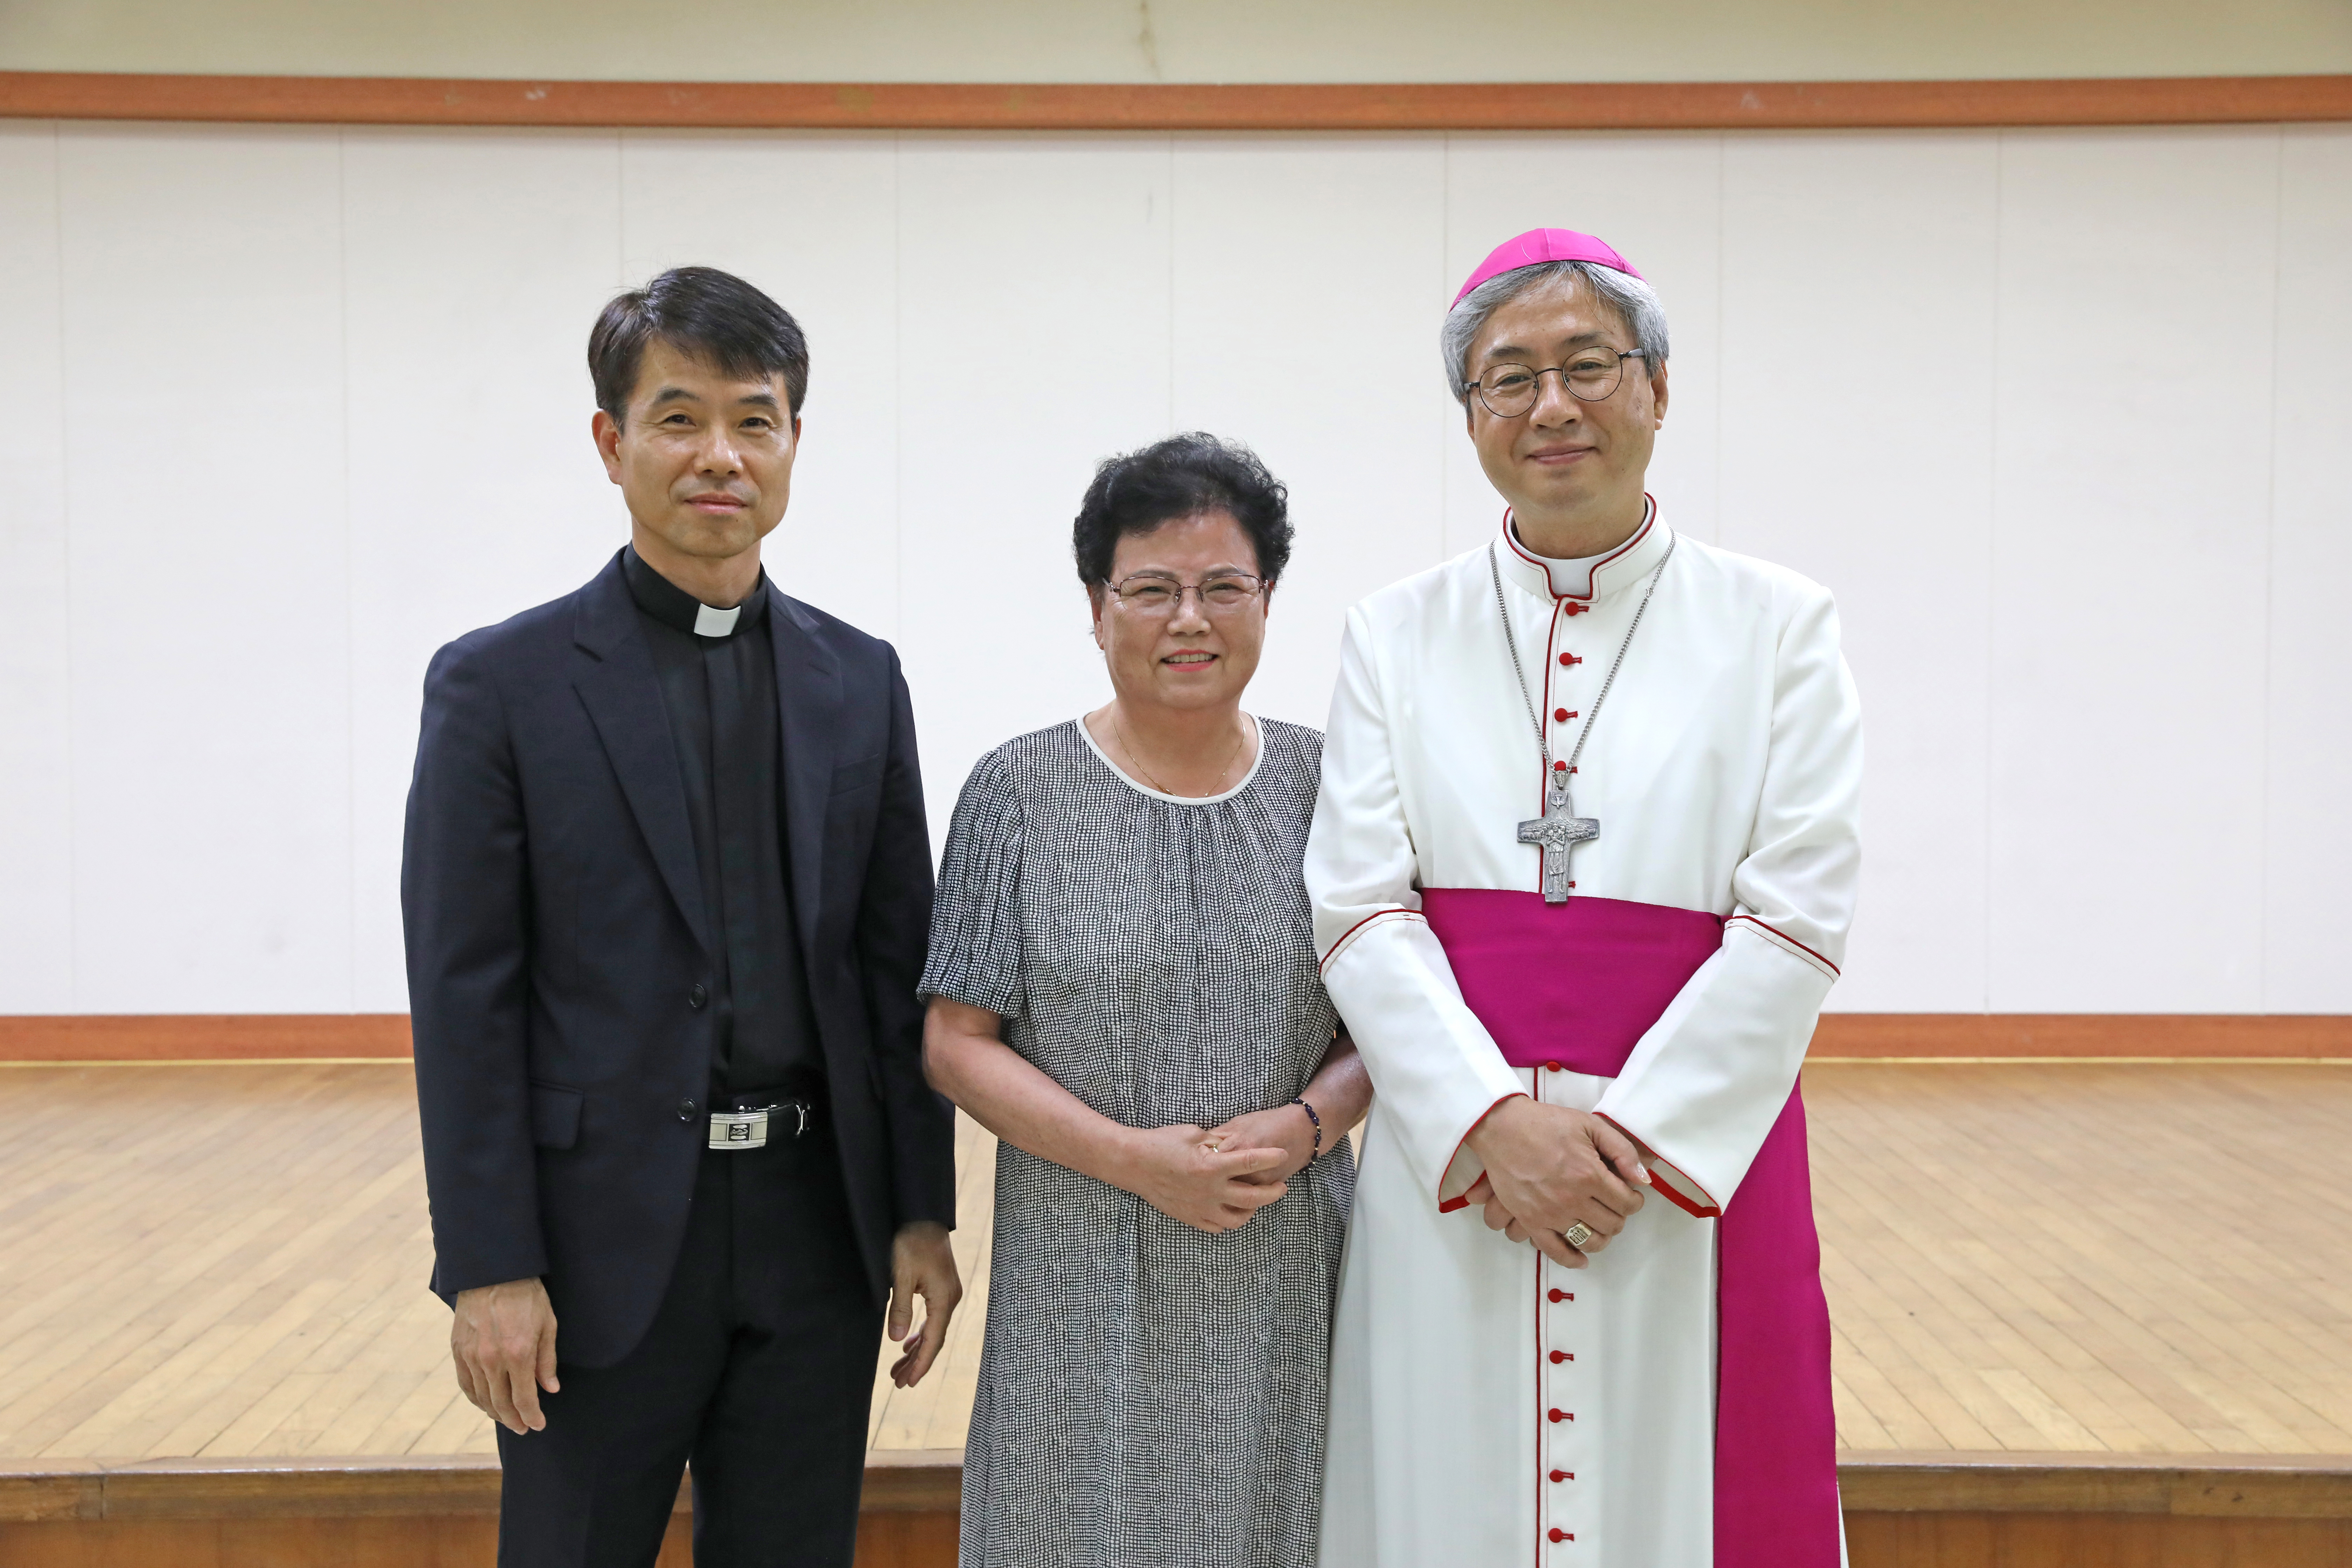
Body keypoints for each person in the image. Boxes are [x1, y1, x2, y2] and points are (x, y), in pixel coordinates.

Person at [1306, 230, 1863, 1567]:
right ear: (1472, 418)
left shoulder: (1780, 626)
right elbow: (1361, 908)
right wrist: (1492, 1123)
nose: (1551, 405)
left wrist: (1627, 1145)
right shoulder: (1394, 632)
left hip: (1678, 1174)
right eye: (1510, 378)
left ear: (1658, 389)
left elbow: (1796, 916)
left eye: (1588, 365)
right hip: (1461, 1168)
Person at [401, 266, 961, 1568]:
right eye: (679, 419)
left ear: (794, 441)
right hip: (592, 1251)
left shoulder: (860, 680)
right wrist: (488, 1265)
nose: (721, 455)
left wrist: (918, 1211)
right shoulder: (500, 688)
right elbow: (465, 1000)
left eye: (754, 420)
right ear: (612, 444)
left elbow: (894, 970)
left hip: (815, 1236)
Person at [921, 433, 1371, 1568]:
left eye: (1224, 588)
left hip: (1281, 1259)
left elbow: (1384, 1020)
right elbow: (956, 1041)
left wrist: (1309, 1122)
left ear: (1268, 601)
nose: (1190, 620)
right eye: (1154, 589)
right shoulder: (1018, 791)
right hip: (1080, 1267)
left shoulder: (1332, 785)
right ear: (1096, 606)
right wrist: (1135, 1160)